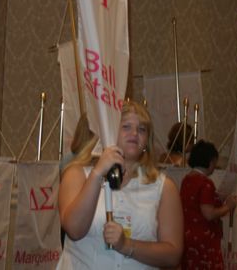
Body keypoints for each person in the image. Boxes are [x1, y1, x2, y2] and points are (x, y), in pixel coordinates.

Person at [57, 100, 183, 269]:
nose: (134, 133)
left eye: (142, 129)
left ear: (147, 141)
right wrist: (97, 174)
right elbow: (74, 229)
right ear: (108, 132)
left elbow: (173, 255)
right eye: (126, 127)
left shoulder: (164, 187)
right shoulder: (77, 174)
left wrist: (127, 245)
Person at [180, 140, 236, 269]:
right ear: (211, 162)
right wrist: (228, 207)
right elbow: (209, 214)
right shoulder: (206, 183)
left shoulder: (186, 180)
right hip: (203, 240)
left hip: (187, 237)